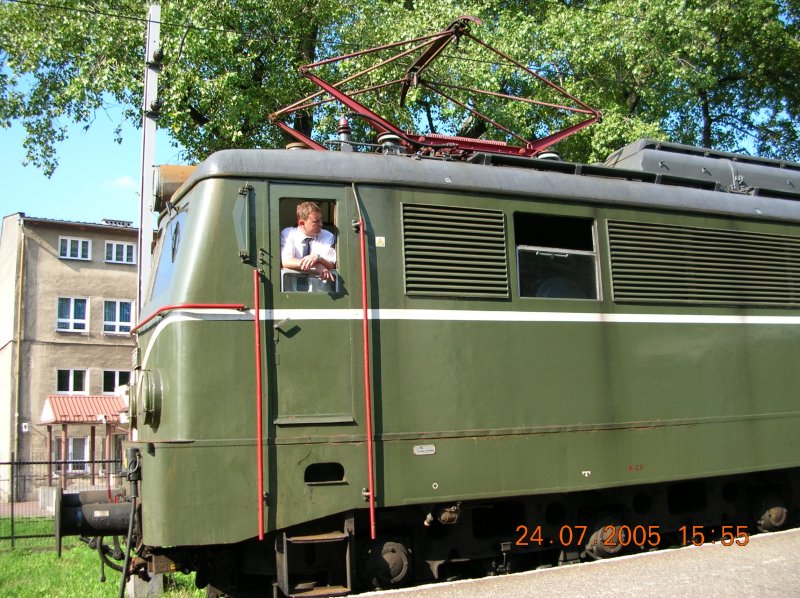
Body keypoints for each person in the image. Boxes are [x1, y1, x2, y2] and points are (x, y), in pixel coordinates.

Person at [280, 202, 337, 282]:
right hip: (292, 290)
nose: (321, 224)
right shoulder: (288, 233)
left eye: (321, 219)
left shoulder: (328, 236)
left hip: (320, 290)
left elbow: (331, 265)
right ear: (302, 223)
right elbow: (287, 261)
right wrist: (316, 264)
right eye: (316, 221)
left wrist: (317, 258)